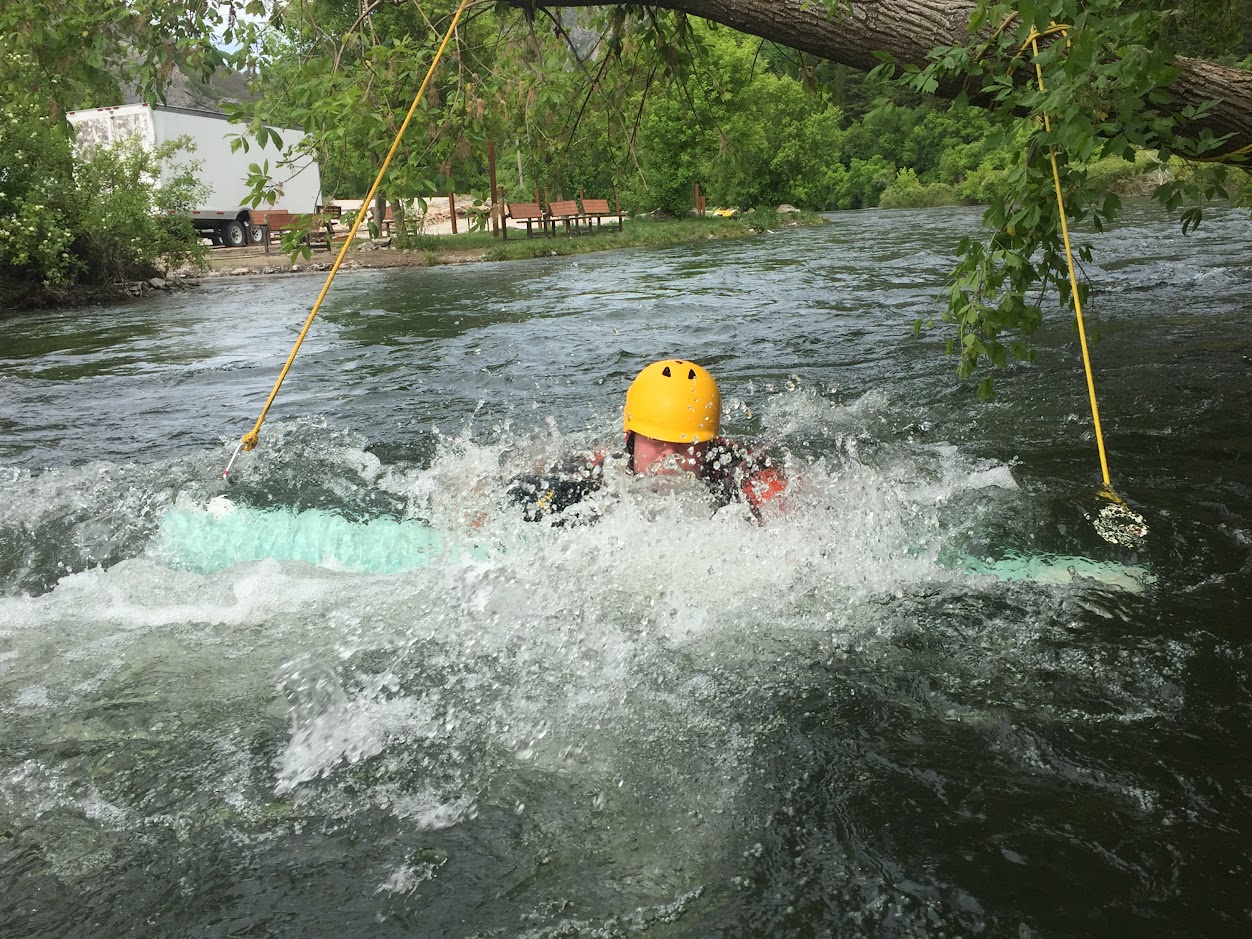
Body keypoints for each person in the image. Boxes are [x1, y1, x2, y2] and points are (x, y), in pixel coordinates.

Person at [508, 359, 786, 523]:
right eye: (656, 441)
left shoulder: (740, 472)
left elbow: (792, 509)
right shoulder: (601, 470)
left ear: (708, 446)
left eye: (685, 444)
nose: (669, 456)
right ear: (630, 438)